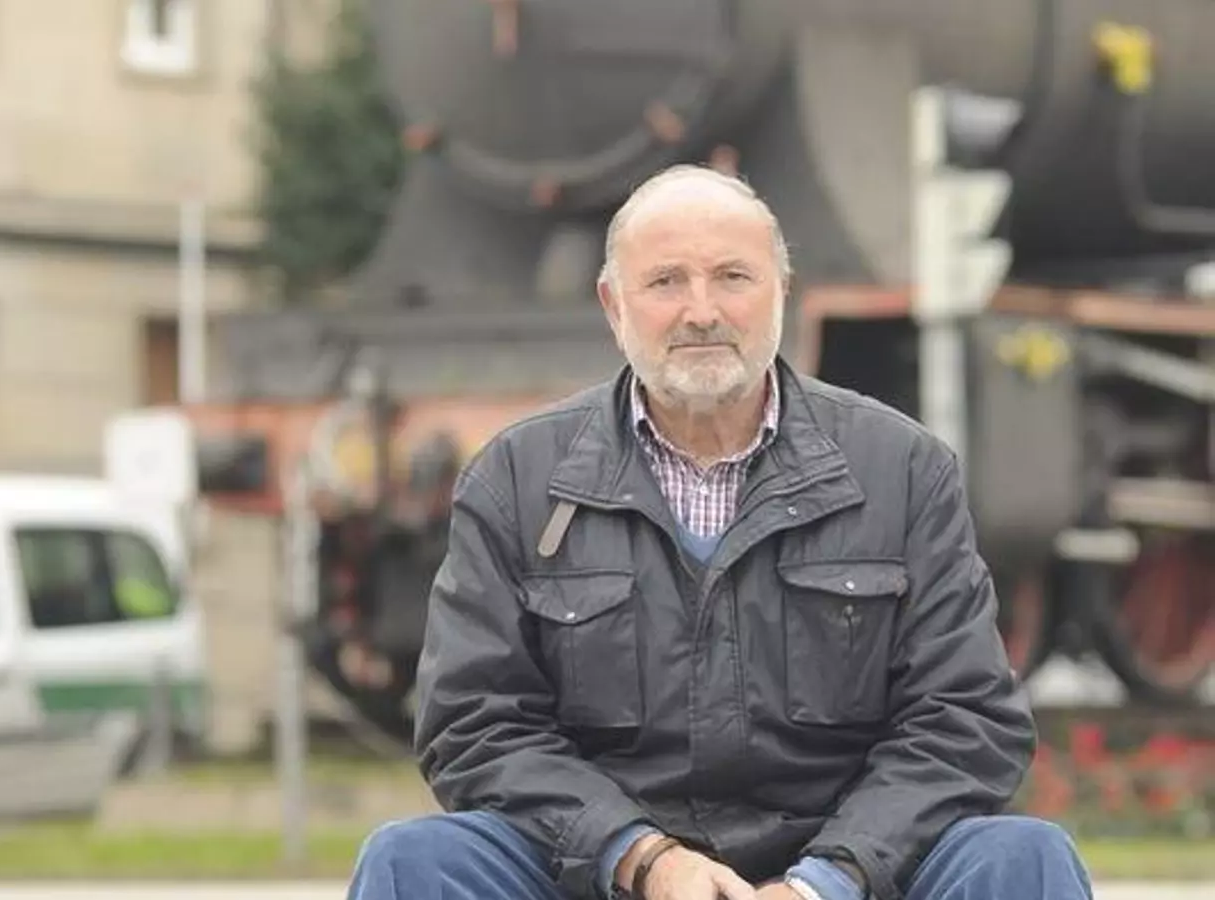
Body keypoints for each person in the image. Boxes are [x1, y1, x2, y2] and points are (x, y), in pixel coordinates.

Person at [345, 165, 1093, 900]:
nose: (701, 310)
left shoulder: (902, 469)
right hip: (604, 876)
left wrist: (828, 879)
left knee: (1022, 858)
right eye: (665, 281)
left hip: (853, 877)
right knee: (414, 862)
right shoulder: (515, 479)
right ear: (613, 304)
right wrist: (642, 858)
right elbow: (476, 724)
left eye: (733, 277)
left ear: (782, 292)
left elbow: (964, 719)